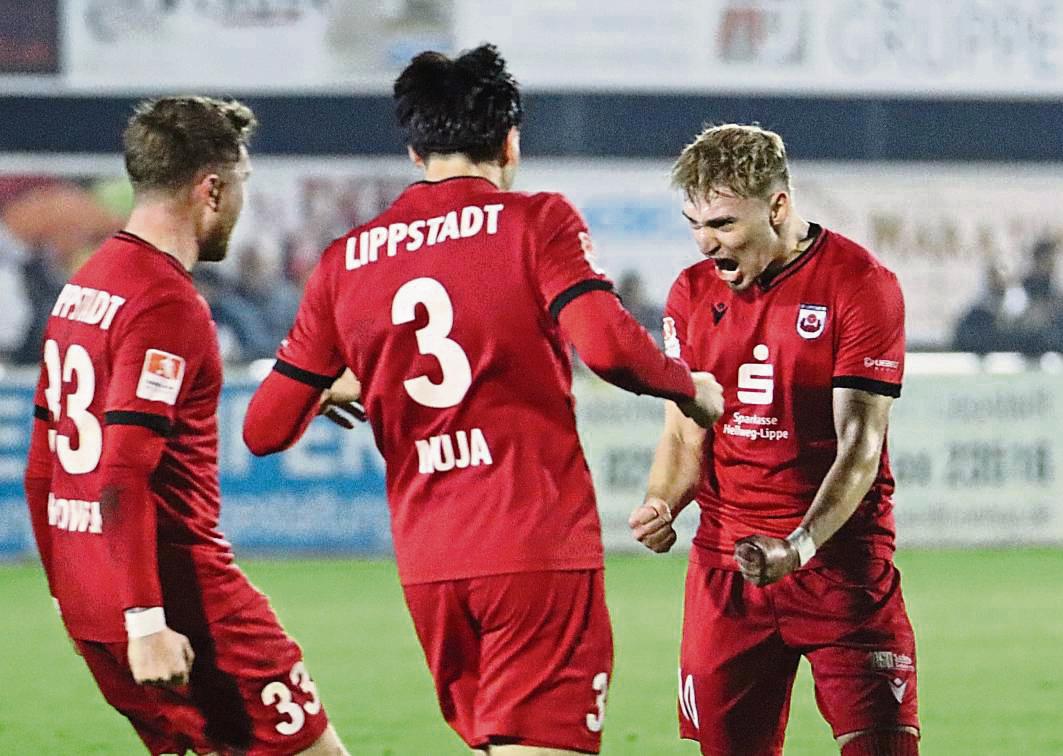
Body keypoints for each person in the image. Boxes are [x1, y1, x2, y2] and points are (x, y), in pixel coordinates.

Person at [243, 45, 722, 755]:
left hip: (431, 567)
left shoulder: (346, 259)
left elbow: (263, 426)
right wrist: (692, 390)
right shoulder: (534, 221)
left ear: (413, 150)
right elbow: (609, 349)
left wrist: (351, 384)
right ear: (509, 140)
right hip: (533, 546)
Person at [23, 96, 348, 755]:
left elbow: (43, 464)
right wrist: (146, 619)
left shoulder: (88, 285)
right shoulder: (167, 301)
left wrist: (74, 591)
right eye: (242, 187)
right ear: (211, 187)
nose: (240, 207)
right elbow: (122, 467)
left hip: (95, 601)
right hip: (183, 604)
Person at [628, 124, 920, 756]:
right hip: (727, 572)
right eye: (695, 225)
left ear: (779, 207)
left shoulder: (861, 285)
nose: (707, 243)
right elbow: (685, 430)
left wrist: (800, 544)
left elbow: (860, 444)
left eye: (725, 225)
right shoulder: (689, 294)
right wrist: (661, 502)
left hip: (840, 567)